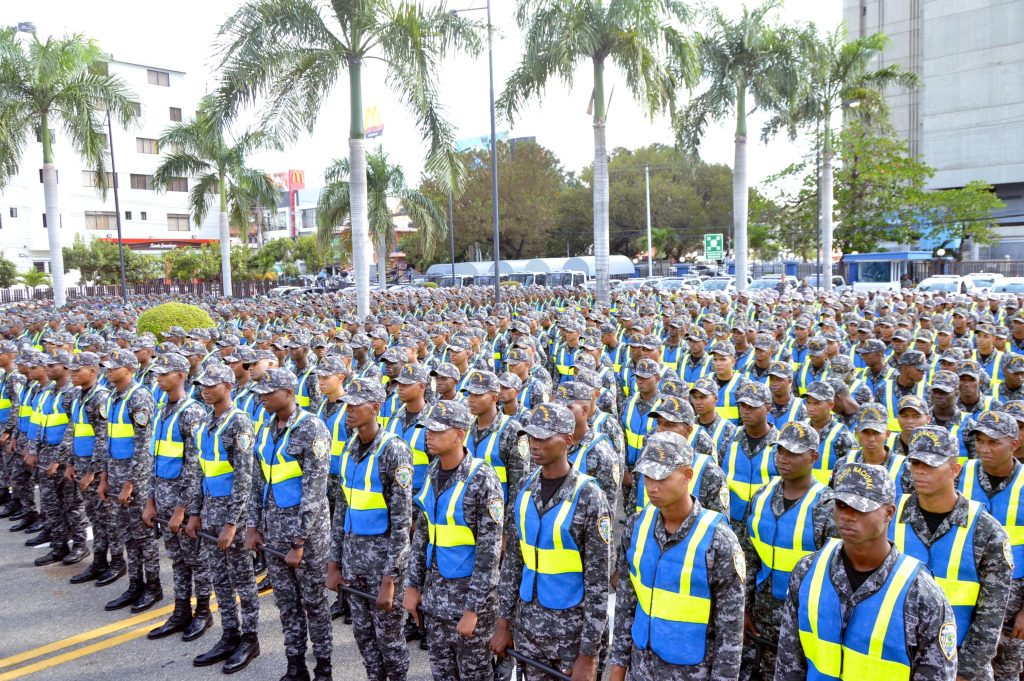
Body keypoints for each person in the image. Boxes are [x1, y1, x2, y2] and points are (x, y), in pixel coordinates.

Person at [773, 462, 958, 681]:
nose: (847, 516)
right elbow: (789, 660)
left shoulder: (921, 593)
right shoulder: (807, 571)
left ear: (889, 512)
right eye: (841, 505)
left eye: (860, 508)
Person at [609, 431, 745, 681]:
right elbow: (627, 604)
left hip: (691, 673)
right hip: (641, 669)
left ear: (687, 475)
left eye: (661, 476)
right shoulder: (637, 526)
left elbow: (731, 634)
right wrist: (618, 666)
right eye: (647, 476)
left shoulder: (718, 541)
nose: (652, 486)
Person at [491, 403, 612, 681]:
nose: (535, 444)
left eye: (544, 437)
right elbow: (512, 563)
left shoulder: (589, 496)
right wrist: (503, 622)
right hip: (530, 630)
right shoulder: (524, 488)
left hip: (571, 635)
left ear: (568, 441)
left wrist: (588, 654)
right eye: (532, 436)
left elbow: (598, 584)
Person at [890, 426, 1012, 681]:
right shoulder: (888, 516)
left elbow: (990, 620)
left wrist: (962, 673)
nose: (921, 471)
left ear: (955, 470)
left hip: (961, 663)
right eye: (915, 462)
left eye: (931, 465)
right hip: (898, 658)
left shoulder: (986, 531)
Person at [404, 400, 504, 681]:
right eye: (428, 430)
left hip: (468, 603)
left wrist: (473, 610)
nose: (429, 436)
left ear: (460, 434)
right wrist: (413, 585)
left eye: (437, 431)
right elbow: (423, 534)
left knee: (474, 675)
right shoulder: (434, 472)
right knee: (442, 674)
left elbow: (488, 553)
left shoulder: (482, 478)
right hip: (436, 600)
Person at [248, 368, 334, 681]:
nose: (263, 398)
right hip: (273, 533)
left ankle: (323, 667)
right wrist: (253, 526)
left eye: (269, 393)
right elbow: (259, 483)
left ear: (289, 392)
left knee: (314, 603)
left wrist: (300, 541)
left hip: (305, 536)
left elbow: (314, 490)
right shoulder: (267, 428)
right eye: (261, 393)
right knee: (286, 603)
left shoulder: (312, 428)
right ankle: (295, 663)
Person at [326, 376, 414, 681]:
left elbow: (403, 522)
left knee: (390, 641)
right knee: (364, 637)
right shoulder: (351, 446)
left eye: (355, 404)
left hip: (381, 568)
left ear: (375, 407)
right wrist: (334, 562)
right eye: (346, 404)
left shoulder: (393, 451)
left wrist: (391, 579)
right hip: (354, 562)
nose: (348, 410)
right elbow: (342, 510)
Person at [743, 421, 837, 680]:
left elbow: (833, 578)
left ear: (813, 457)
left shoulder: (827, 506)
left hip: (804, 622)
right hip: (761, 615)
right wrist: (744, 608)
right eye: (780, 451)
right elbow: (749, 557)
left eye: (794, 453)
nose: (784, 459)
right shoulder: (762, 496)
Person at [187, 363, 261, 672]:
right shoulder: (205, 421)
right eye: (203, 384)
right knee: (220, 577)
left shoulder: (238, 423)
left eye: (212, 384)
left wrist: (234, 523)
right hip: (210, 513)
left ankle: (250, 637)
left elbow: (245, 478)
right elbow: (201, 472)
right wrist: (194, 513)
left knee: (243, 578)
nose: (205, 388)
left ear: (228, 386)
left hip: (234, 517)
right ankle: (229, 633)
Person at [142, 352, 213, 638]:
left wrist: (183, 509)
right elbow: (154, 460)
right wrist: (150, 501)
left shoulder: (192, 412)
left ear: (181, 375)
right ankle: (181, 610)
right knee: (177, 559)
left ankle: (204, 611)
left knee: (197, 559)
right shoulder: (162, 410)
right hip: (163, 499)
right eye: (157, 374)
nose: (159, 378)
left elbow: (195, 466)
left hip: (182, 504)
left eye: (165, 373)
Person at [959, 411, 1024, 681]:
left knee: (1005, 670)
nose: (984, 448)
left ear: (1014, 444)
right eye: (980, 441)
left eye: (994, 442)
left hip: (1013, 596)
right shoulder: (960, 474)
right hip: (966, 591)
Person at [100, 349, 159, 613]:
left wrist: (130, 484)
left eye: (115, 367)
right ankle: (135, 583)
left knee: (143, 536)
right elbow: (109, 441)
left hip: (135, 481)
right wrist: (105, 478)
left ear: (130, 369)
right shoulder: (113, 397)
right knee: (128, 536)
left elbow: (143, 446)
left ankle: (153, 586)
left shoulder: (140, 397)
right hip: (115, 476)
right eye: (108, 367)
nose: (109, 371)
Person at [64, 351, 123, 585]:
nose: (73, 374)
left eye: (77, 370)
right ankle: (99, 560)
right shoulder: (80, 395)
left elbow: (102, 438)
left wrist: (93, 472)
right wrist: (70, 462)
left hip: (95, 471)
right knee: (95, 518)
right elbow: (76, 430)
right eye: (71, 370)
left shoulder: (101, 398)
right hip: (80, 464)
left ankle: (117, 561)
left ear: (92, 371)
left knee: (107, 518)